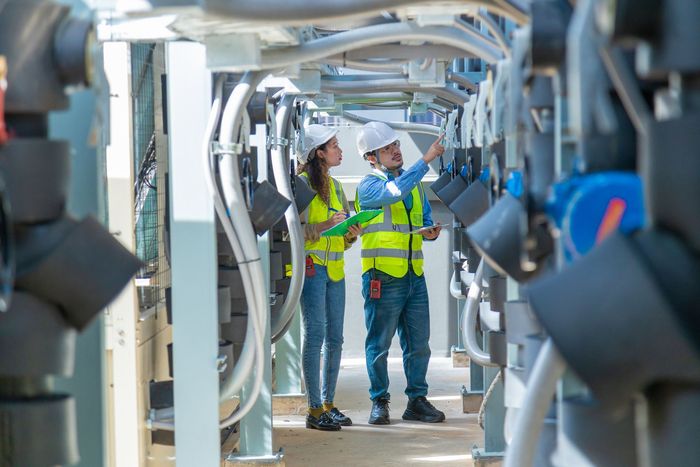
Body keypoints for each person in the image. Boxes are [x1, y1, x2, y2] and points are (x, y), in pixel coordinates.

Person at [354, 121, 446, 425]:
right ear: (371, 157)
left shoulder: (414, 186)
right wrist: (426, 159)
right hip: (382, 276)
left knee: (419, 343)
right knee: (378, 345)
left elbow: (424, 221)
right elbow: (393, 193)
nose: (395, 150)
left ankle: (416, 401)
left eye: (395, 145)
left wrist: (430, 232)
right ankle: (379, 401)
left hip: (412, 275)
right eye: (386, 148)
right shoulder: (369, 185)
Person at [297, 124, 362, 431]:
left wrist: (351, 234)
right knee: (315, 337)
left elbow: (342, 235)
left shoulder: (336, 187)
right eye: (334, 146)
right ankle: (312, 410)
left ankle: (328, 404)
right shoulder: (300, 185)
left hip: (335, 269)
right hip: (312, 269)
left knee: (335, 339)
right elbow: (291, 233)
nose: (340, 150)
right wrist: (323, 226)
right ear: (319, 153)